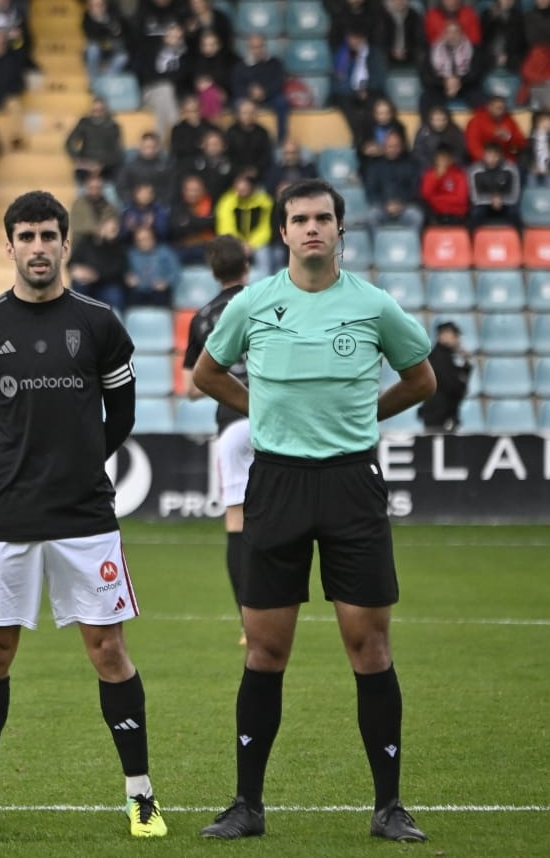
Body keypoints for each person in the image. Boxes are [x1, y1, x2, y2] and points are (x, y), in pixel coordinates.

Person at [192, 179, 436, 843]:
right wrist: (262, 411)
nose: (311, 229)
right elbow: (206, 375)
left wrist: (365, 417)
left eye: (322, 218)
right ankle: (247, 804)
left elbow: (422, 378)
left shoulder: (373, 304)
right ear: (284, 231)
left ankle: (388, 807)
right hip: (276, 484)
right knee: (266, 649)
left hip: (352, 484)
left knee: (369, 643)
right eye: (298, 219)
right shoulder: (254, 302)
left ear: (339, 227)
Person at [0, 190, 165, 839]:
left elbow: (120, 415)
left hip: (85, 515)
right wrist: (7, 465)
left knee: (108, 650)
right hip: (5, 516)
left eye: (49, 236)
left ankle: (141, 794)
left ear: (66, 244)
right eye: (27, 236)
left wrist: (81, 462)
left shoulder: (100, 324)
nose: (38, 247)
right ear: (8, 246)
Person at [181, 235, 252, 643]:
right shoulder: (264, 300)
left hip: (231, 424)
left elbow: (193, 386)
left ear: (213, 272)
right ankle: (279, 609)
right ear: (246, 263)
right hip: (272, 420)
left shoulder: (203, 316)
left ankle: (247, 622)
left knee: (236, 523)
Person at [417, 321, 471, 433]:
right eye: (454, 335)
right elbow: (454, 387)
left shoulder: (445, 357)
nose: (457, 339)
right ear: (444, 335)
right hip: (439, 414)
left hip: (441, 413)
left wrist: (466, 366)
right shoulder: (439, 358)